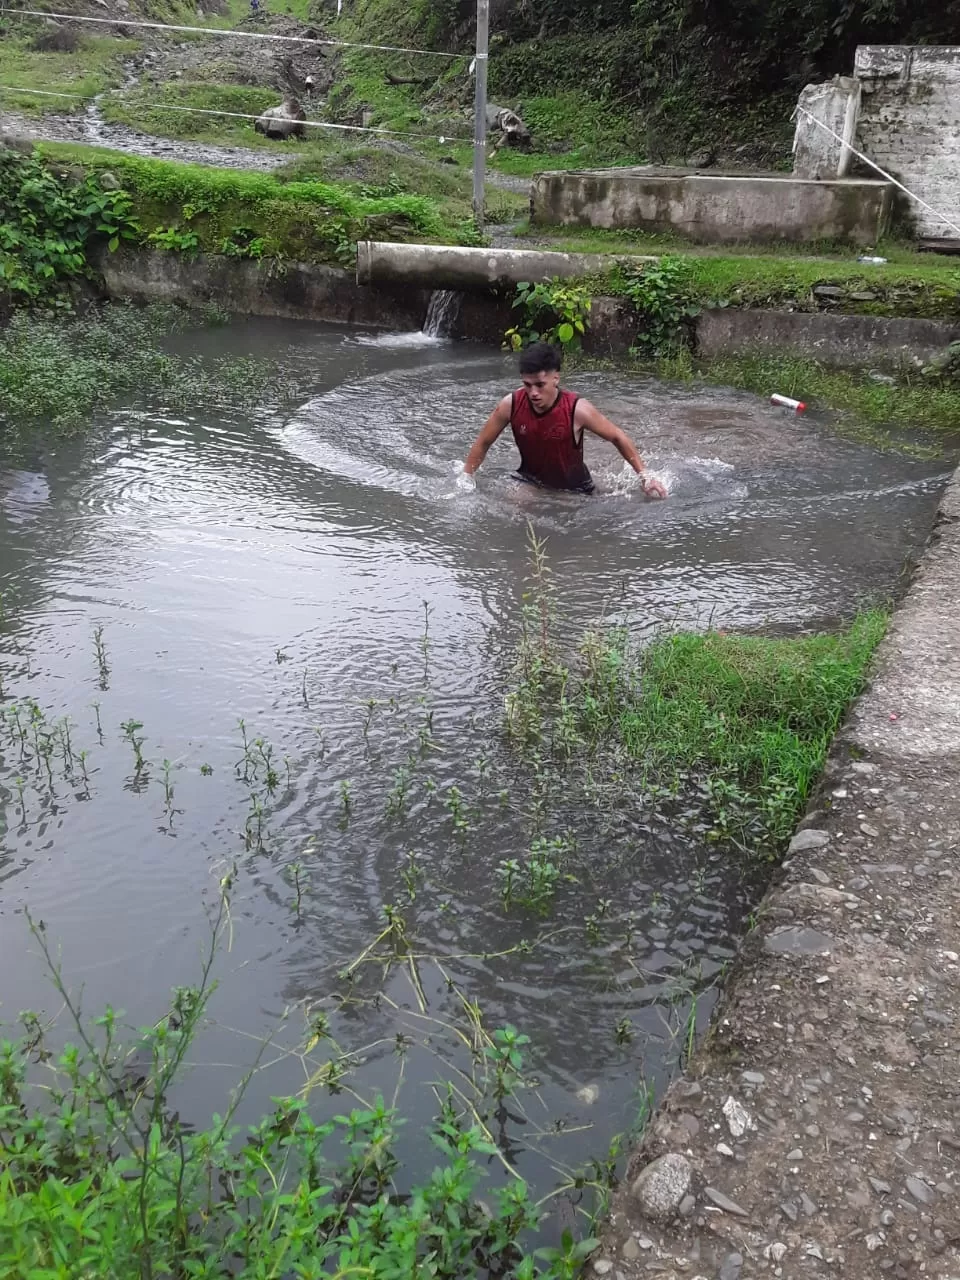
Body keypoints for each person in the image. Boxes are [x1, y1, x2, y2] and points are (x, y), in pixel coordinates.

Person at [462, 342, 668, 498]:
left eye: (540, 385)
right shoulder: (511, 404)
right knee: (515, 504)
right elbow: (483, 442)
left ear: (555, 378)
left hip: (576, 489)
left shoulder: (577, 410)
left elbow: (617, 437)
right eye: (527, 384)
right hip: (529, 480)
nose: (533, 393)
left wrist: (645, 477)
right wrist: (466, 477)